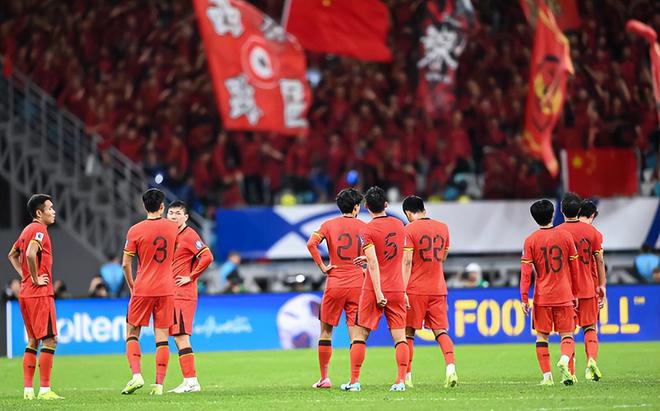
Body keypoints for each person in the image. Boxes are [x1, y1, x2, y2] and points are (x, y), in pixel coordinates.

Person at [341, 186, 409, 392]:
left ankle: (354, 382)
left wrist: (379, 292)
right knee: (400, 337)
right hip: (397, 287)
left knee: (360, 335)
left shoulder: (367, 230)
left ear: (366, 207)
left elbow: (373, 263)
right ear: (386, 205)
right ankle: (400, 381)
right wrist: (404, 290)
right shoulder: (399, 225)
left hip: (374, 289)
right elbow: (400, 257)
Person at [121, 189, 179, 396]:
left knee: (132, 332)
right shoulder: (173, 228)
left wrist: (132, 285)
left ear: (144, 206)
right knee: (162, 337)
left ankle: (136, 374)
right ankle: (159, 384)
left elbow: (125, 264)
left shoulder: (135, 230)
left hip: (143, 288)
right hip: (166, 288)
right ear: (162, 207)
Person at [306, 188, 365, 389]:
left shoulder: (328, 224)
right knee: (356, 335)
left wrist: (323, 267)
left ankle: (324, 378)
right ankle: (354, 381)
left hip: (335, 282)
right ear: (355, 207)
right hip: (357, 283)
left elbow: (311, 244)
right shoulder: (363, 227)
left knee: (325, 332)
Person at [6, 194, 64, 400]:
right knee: (50, 340)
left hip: (25, 293)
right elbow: (30, 253)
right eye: (50, 208)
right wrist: (35, 278)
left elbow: (12, 255)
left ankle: (28, 390)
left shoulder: (26, 230)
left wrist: (25, 277)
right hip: (39, 294)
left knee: (32, 340)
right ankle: (45, 390)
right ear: (39, 213)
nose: (53, 211)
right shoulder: (39, 230)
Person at [520, 199, 580, 386]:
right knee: (567, 334)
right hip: (564, 294)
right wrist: (576, 293)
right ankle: (566, 365)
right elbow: (575, 269)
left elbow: (526, 273)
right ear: (553, 214)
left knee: (542, 336)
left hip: (542, 296)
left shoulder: (530, 240)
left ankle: (547, 377)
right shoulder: (566, 236)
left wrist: (524, 298)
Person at [401, 196, 457, 389]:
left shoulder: (408, 230)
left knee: (408, 333)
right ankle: (450, 367)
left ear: (408, 213)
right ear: (423, 209)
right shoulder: (443, 227)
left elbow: (407, 261)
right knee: (441, 331)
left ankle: (407, 376)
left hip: (415, 289)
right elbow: (443, 256)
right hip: (438, 288)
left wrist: (402, 289)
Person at [166, 200, 214, 393]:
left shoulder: (189, 234)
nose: (174, 216)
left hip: (183, 293)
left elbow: (207, 256)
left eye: (178, 213)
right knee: (178, 337)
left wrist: (191, 276)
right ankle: (188, 381)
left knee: (181, 336)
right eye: (171, 213)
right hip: (171, 293)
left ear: (185, 217)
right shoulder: (168, 235)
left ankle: (192, 382)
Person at [559, 193, 605, 382]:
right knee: (590, 327)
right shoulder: (593, 233)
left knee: (567, 332)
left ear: (562, 211)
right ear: (579, 210)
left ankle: (570, 370)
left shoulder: (557, 232)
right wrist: (602, 286)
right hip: (588, 288)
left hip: (566, 291)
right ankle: (591, 361)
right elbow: (599, 261)